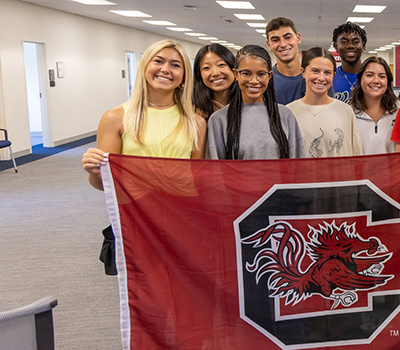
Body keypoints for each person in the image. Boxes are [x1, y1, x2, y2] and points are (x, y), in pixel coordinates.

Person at [81, 39, 207, 275]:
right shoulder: (116, 118)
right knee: (143, 295)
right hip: (136, 221)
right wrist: (94, 172)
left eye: (175, 65)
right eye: (158, 61)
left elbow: (195, 181)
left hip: (181, 221)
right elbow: (104, 185)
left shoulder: (196, 123)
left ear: (183, 76)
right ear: (144, 67)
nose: (165, 70)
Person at [206, 45, 305, 160]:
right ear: (236, 74)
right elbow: (215, 170)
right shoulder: (219, 120)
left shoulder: (285, 115)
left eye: (261, 74)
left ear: (269, 76)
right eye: (246, 73)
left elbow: (298, 164)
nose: (254, 81)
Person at [287, 47, 362, 158]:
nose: (321, 78)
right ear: (303, 72)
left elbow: (356, 153)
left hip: (340, 174)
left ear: (334, 75)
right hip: (304, 175)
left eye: (327, 72)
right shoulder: (289, 112)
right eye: (315, 71)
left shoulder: (345, 110)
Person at [350, 56, 400, 155]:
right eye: (369, 75)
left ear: (388, 82)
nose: (376, 81)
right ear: (360, 79)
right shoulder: (348, 113)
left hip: (394, 170)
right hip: (358, 170)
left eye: (382, 76)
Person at [265, 17, 306, 105]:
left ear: (298, 38)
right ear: (269, 44)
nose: (283, 44)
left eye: (287, 37)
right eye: (275, 40)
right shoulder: (265, 81)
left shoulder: (315, 79)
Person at [192, 43, 237, 118]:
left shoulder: (248, 106)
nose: (215, 73)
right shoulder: (193, 113)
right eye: (206, 68)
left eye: (221, 65)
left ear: (234, 70)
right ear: (199, 74)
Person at [332, 21, 367, 104]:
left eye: (355, 42)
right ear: (336, 46)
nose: (350, 46)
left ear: (363, 45)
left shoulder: (375, 78)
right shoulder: (330, 78)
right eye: (344, 42)